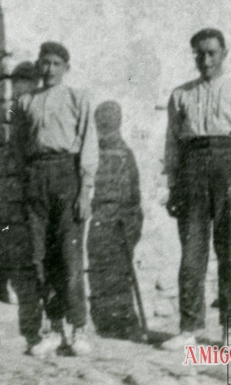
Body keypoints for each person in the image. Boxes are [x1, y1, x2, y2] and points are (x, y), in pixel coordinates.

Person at [162, 28, 231, 350]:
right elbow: (172, 146)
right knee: (192, 254)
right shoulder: (180, 95)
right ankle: (189, 328)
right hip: (192, 169)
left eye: (211, 53)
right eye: (199, 54)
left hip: (229, 168)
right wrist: (173, 186)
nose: (205, 60)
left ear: (224, 54)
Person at [12, 41, 96, 356]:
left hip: (67, 176)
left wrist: (85, 190)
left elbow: (88, 143)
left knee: (70, 258)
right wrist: (25, 181)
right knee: (41, 258)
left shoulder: (78, 98)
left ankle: (78, 328)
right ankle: (53, 327)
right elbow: (18, 145)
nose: (49, 69)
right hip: (36, 178)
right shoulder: (25, 102)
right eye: (44, 63)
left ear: (66, 68)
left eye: (56, 64)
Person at [87, 101, 144, 341]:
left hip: (121, 220)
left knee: (120, 273)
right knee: (101, 272)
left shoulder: (124, 153)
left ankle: (125, 322)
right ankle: (107, 321)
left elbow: (134, 194)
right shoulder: (92, 152)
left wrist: (129, 219)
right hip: (100, 217)